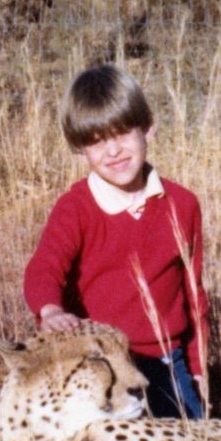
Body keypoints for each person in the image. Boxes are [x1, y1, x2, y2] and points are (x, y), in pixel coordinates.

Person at [23, 64, 209, 419]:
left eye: (123, 133)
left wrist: (199, 368)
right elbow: (45, 266)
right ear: (80, 148)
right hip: (100, 362)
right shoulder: (75, 208)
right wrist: (49, 309)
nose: (113, 151)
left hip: (165, 357)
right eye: (97, 141)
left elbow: (193, 293)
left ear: (148, 128)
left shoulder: (182, 205)